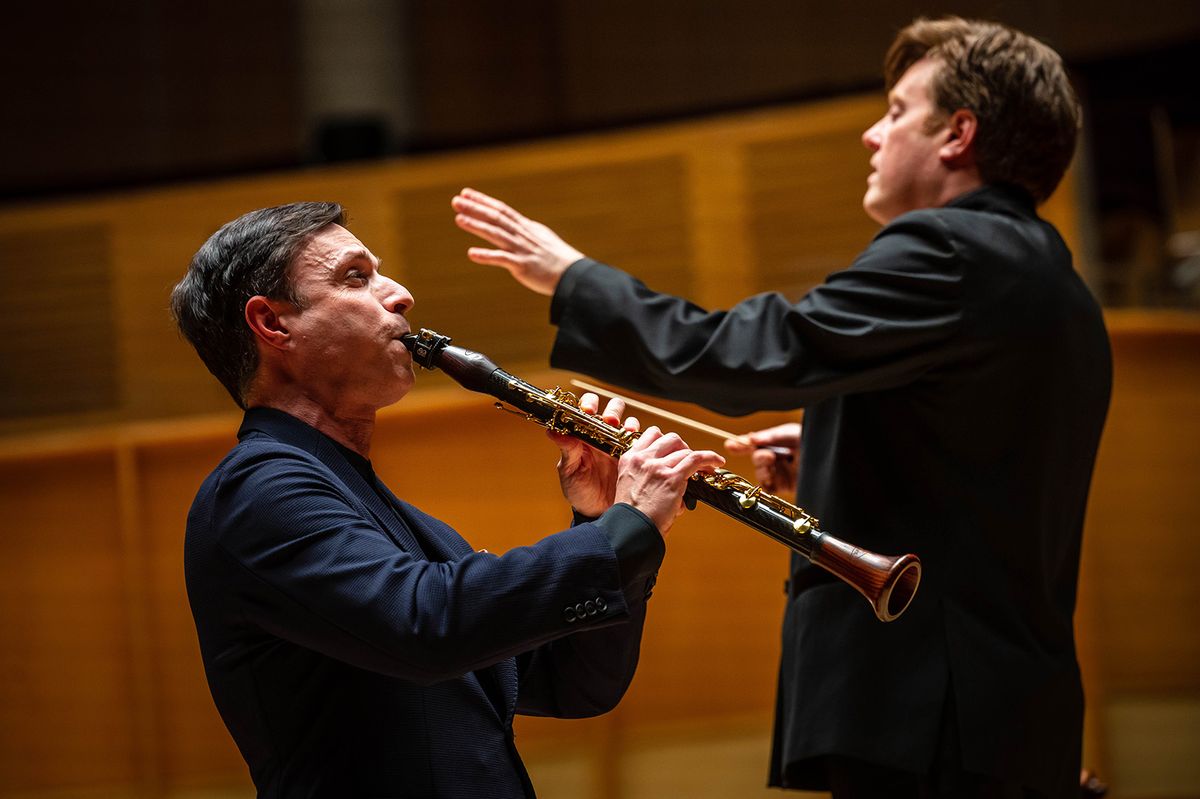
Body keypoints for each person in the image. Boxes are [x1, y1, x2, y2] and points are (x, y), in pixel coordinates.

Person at [450, 16, 1111, 799]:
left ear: (958, 134)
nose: (872, 134)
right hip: (999, 706)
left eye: (898, 110)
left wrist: (572, 278)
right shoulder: (1055, 284)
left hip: (930, 712)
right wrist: (836, 448)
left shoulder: (951, 250)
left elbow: (750, 354)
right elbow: (984, 465)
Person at [169, 201, 724, 798]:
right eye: (355, 276)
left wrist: (599, 518)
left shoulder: (397, 519)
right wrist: (624, 529)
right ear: (273, 325)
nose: (401, 294)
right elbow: (426, 624)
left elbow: (574, 686)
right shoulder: (259, 491)